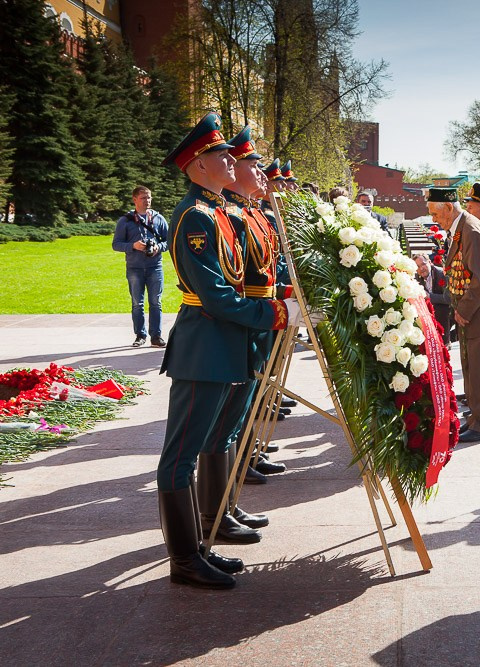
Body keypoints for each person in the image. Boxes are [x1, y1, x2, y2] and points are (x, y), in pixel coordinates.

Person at [157, 112, 299, 589]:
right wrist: (277, 315)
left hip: (226, 342)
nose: (232, 163)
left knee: (217, 436)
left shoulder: (218, 211)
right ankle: (184, 558)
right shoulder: (195, 217)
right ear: (197, 166)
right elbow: (217, 296)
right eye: (221, 157)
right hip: (204, 345)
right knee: (182, 453)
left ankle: (208, 533)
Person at [426, 187, 480, 444]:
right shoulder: (463, 227)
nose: (434, 219)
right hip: (474, 311)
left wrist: (463, 310)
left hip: (479, 311)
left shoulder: (471, 230)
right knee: (471, 368)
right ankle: (476, 419)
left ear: (449, 208)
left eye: (435, 213)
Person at [112, 186, 169, 348]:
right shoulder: (125, 221)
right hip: (134, 268)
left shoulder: (159, 219)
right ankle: (140, 335)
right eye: (143, 198)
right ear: (135, 199)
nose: (147, 201)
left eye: (149, 197)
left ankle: (156, 336)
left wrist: (159, 247)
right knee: (137, 303)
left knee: (156, 302)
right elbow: (116, 244)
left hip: (155, 267)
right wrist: (133, 246)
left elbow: (170, 241)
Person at [414, 252, 451, 345]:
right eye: (417, 267)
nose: (421, 269)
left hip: (447, 311)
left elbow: (448, 298)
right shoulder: (417, 278)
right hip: (428, 312)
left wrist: (429, 297)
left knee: (439, 309)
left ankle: (445, 342)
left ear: (430, 262)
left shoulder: (442, 274)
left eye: (423, 264)